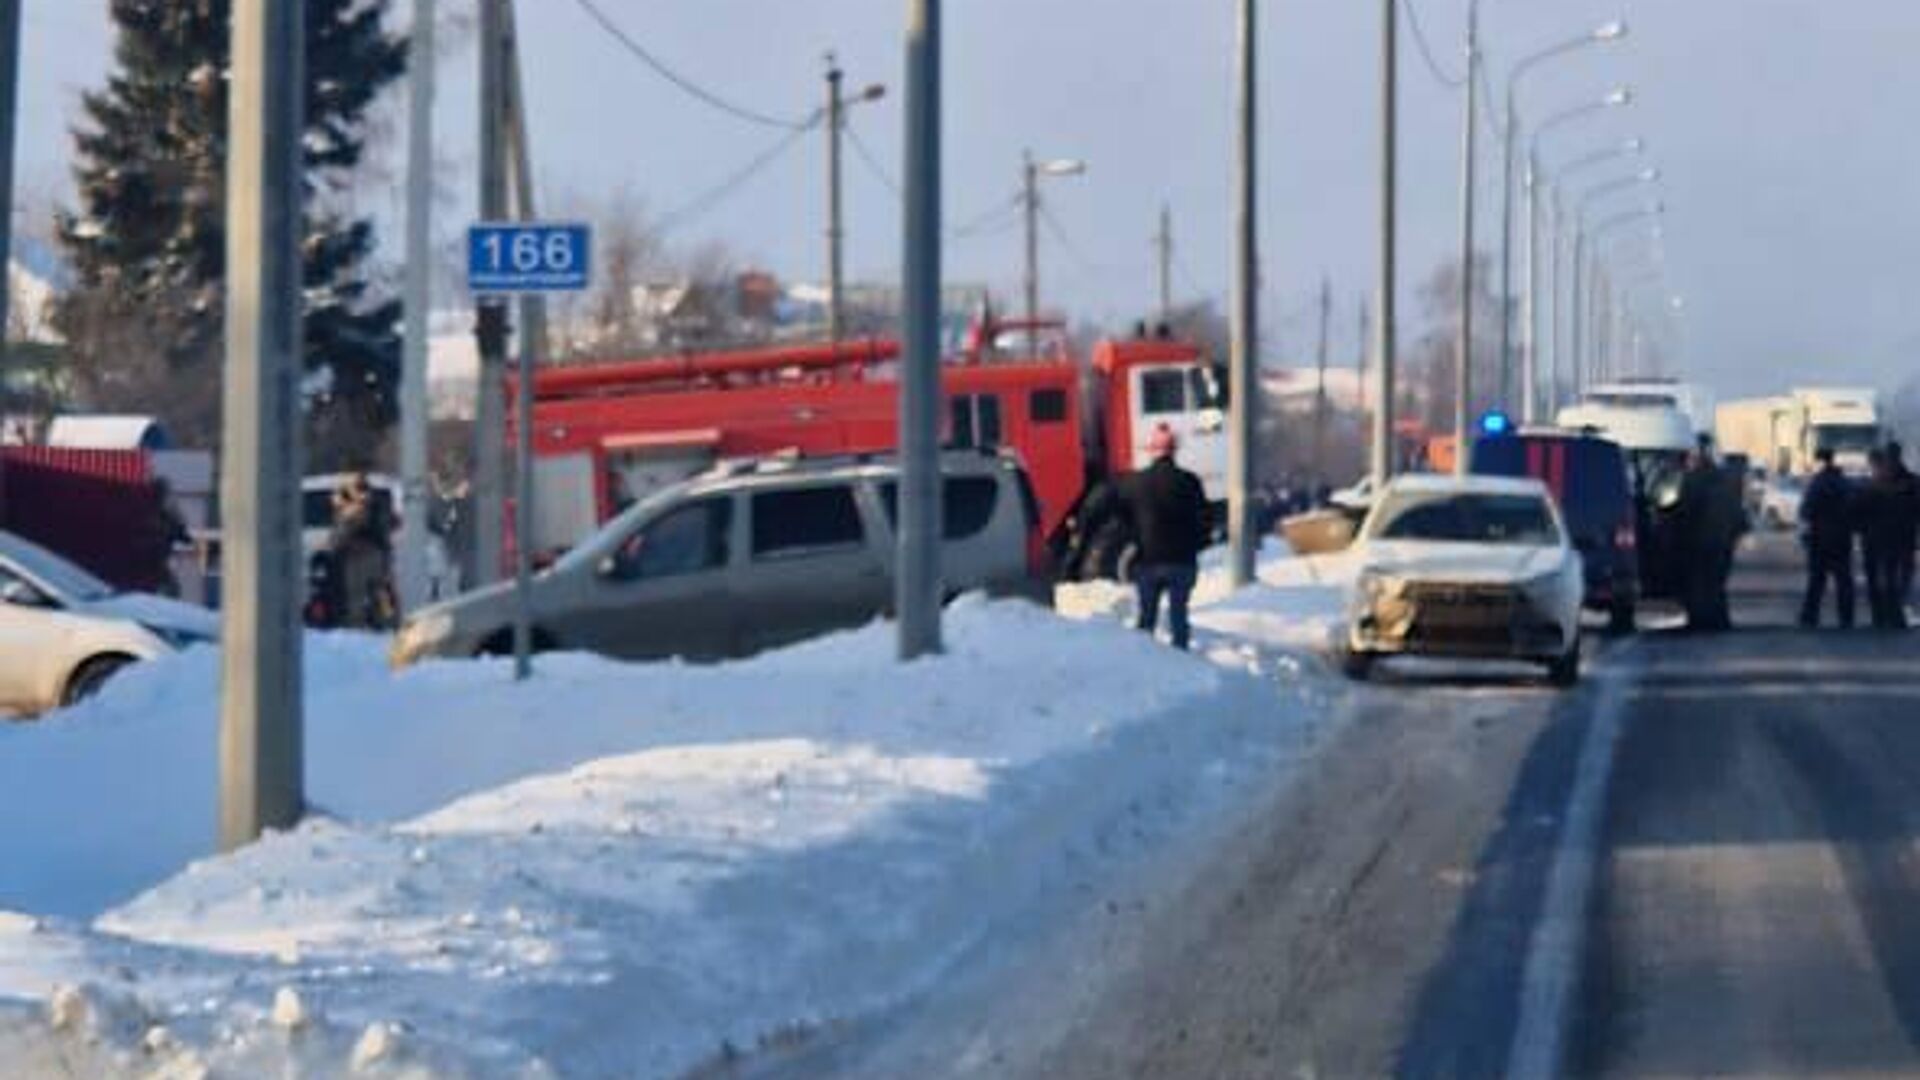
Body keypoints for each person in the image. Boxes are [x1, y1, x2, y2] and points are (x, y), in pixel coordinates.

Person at [1120, 423, 1211, 650]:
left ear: (1151, 450)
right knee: (1179, 614)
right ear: (1174, 450)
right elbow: (1205, 519)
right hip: (1182, 561)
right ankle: (1181, 658)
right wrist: (1196, 545)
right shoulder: (1190, 481)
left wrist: (1135, 541)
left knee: (1147, 617)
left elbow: (1123, 518)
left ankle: (1147, 663)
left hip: (1147, 560)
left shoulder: (1136, 482)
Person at [1674, 435, 1741, 631]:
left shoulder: (1695, 480)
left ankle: (1700, 619)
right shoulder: (1724, 481)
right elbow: (1736, 514)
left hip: (1701, 540)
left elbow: (1685, 510)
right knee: (1716, 583)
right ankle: (1719, 619)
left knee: (1699, 583)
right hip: (1721, 540)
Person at [1860, 443, 1920, 629]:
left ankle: (1885, 617)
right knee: (1898, 579)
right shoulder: (1913, 482)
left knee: (1886, 579)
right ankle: (1895, 615)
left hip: (1881, 539)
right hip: (1904, 537)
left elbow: (1861, 510)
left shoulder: (1876, 483)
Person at [1797, 447, 1855, 628]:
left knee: (1816, 580)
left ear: (1820, 461)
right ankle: (1846, 617)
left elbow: (1805, 510)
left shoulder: (1818, 482)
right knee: (1843, 580)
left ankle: (1810, 617)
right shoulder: (1844, 482)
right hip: (1842, 537)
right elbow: (1854, 507)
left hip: (1820, 537)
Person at [330, 472, 395, 629]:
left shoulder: (357, 508)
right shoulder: (376, 505)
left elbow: (345, 532)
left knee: (356, 595)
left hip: (359, 556)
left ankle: (356, 628)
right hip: (377, 555)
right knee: (379, 592)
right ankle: (385, 623)